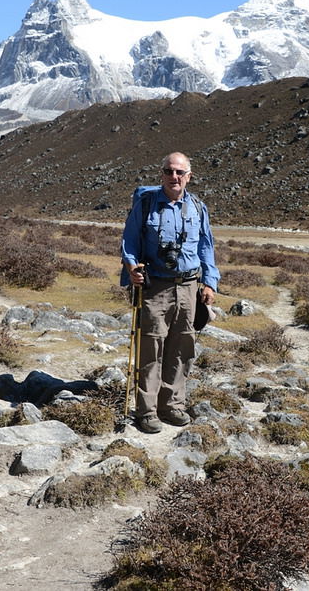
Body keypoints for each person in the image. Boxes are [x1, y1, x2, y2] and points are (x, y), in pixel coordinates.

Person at [120, 152, 220, 433]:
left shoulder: (199, 208)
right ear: (161, 174)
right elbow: (129, 241)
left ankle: (172, 405)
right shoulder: (146, 204)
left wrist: (210, 283)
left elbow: (206, 248)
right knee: (151, 347)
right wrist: (132, 268)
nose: (173, 177)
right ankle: (147, 410)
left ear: (189, 176)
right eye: (168, 171)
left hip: (189, 287)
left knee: (181, 348)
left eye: (179, 172)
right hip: (156, 287)